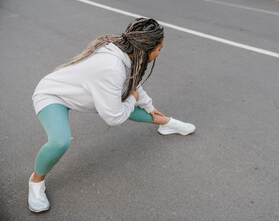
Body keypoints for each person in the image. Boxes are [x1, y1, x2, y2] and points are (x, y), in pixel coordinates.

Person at [28, 18, 195, 213]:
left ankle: (166, 123)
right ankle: (35, 182)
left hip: (81, 93)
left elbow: (132, 83)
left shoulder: (127, 50)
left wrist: (149, 106)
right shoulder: (112, 68)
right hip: (53, 94)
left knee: (125, 101)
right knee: (59, 141)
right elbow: (114, 117)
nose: (159, 53)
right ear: (146, 49)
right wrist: (133, 98)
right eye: (159, 49)